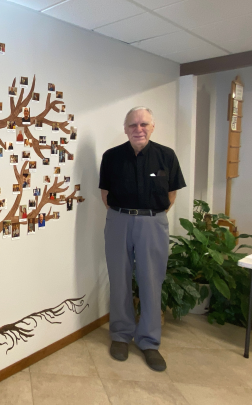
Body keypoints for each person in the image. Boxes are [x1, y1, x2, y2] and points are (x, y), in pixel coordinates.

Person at [99, 107, 186, 372]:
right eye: (133, 125)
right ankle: (121, 335)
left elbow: (171, 194)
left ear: (152, 127)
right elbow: (105, 194)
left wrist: (149, 216)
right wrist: (125, 215)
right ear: (125, 129)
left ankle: (149, 342)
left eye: (144, 124)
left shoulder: (166, 156)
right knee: (119, 278)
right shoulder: (111, 157)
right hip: (119, 221)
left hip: (153, 222)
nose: (139, 129)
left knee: (151, 280)